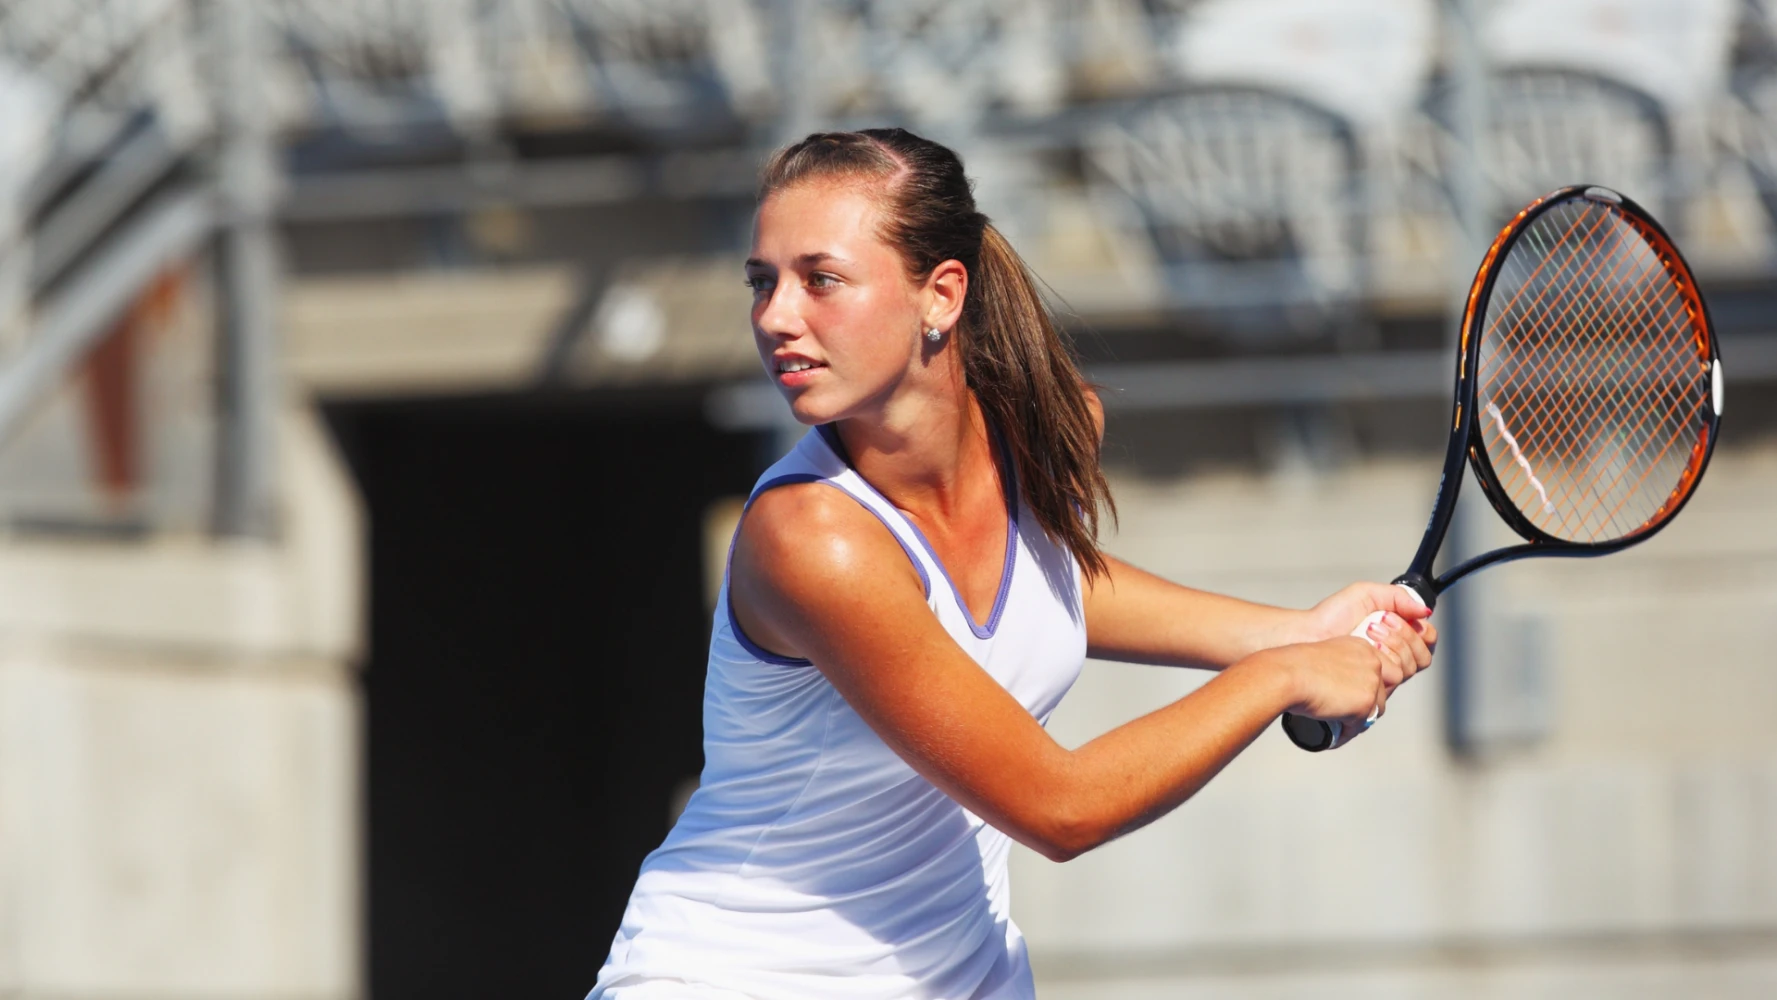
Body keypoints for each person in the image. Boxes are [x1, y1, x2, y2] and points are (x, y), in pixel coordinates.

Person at [588, 128, 1434, 1000]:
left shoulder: (1045, 433)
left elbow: (1046, 583)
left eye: (820, 279)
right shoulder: (811, 540)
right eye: (762, 281)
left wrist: (1294, 632)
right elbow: (1060, 809)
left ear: (940, 294)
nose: (775, 316)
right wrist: (1282, 675)